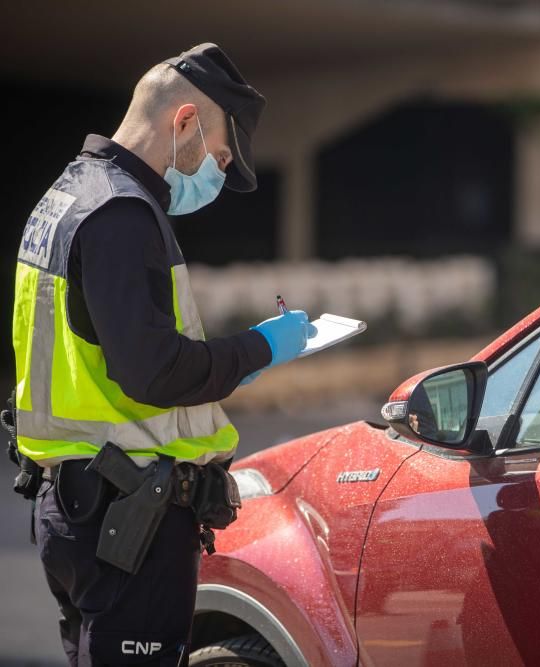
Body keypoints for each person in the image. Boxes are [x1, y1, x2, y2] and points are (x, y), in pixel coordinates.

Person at [9, 43, 312, 666]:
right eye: (221, 157)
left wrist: (244, 356)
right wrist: (261, 346)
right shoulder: (122, 213)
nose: (218, 177)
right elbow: (153, 371)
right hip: (126, 517)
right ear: (183, 122)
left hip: (77, 506)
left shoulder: (65, 197)